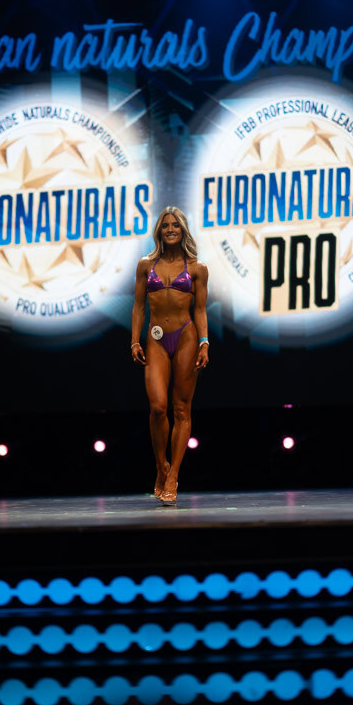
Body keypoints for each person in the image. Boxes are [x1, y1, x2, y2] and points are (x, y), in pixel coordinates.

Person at [131, 207, 209, 504]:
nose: (170, 229)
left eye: (175, 225)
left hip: (186, 336)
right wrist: (134, 341)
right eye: (165, 226)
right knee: (157, 408)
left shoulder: (197, 268)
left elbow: (199, 310)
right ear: (159, 231)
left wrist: (204, 342)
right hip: (155, 340)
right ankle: (160, 465)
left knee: (181, 409)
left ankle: (173, 474)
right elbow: (139, 306)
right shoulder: (145, 265)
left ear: (183, 230)